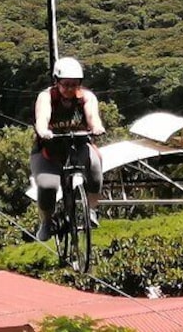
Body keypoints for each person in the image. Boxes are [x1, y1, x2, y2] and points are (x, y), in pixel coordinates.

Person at [32, 57, 106, 241]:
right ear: (56, 82)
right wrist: (43, 131)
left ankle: (91, 210)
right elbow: (42, 118)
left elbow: (92, 116)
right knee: (47, 185)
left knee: (95, 166)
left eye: (74, 85)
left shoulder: (86, 98)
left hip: (77, 144)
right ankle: (46, 222)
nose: (70, 89)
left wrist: (96, 127)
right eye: (65, 84)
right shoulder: (47, 97)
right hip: (49, 149)